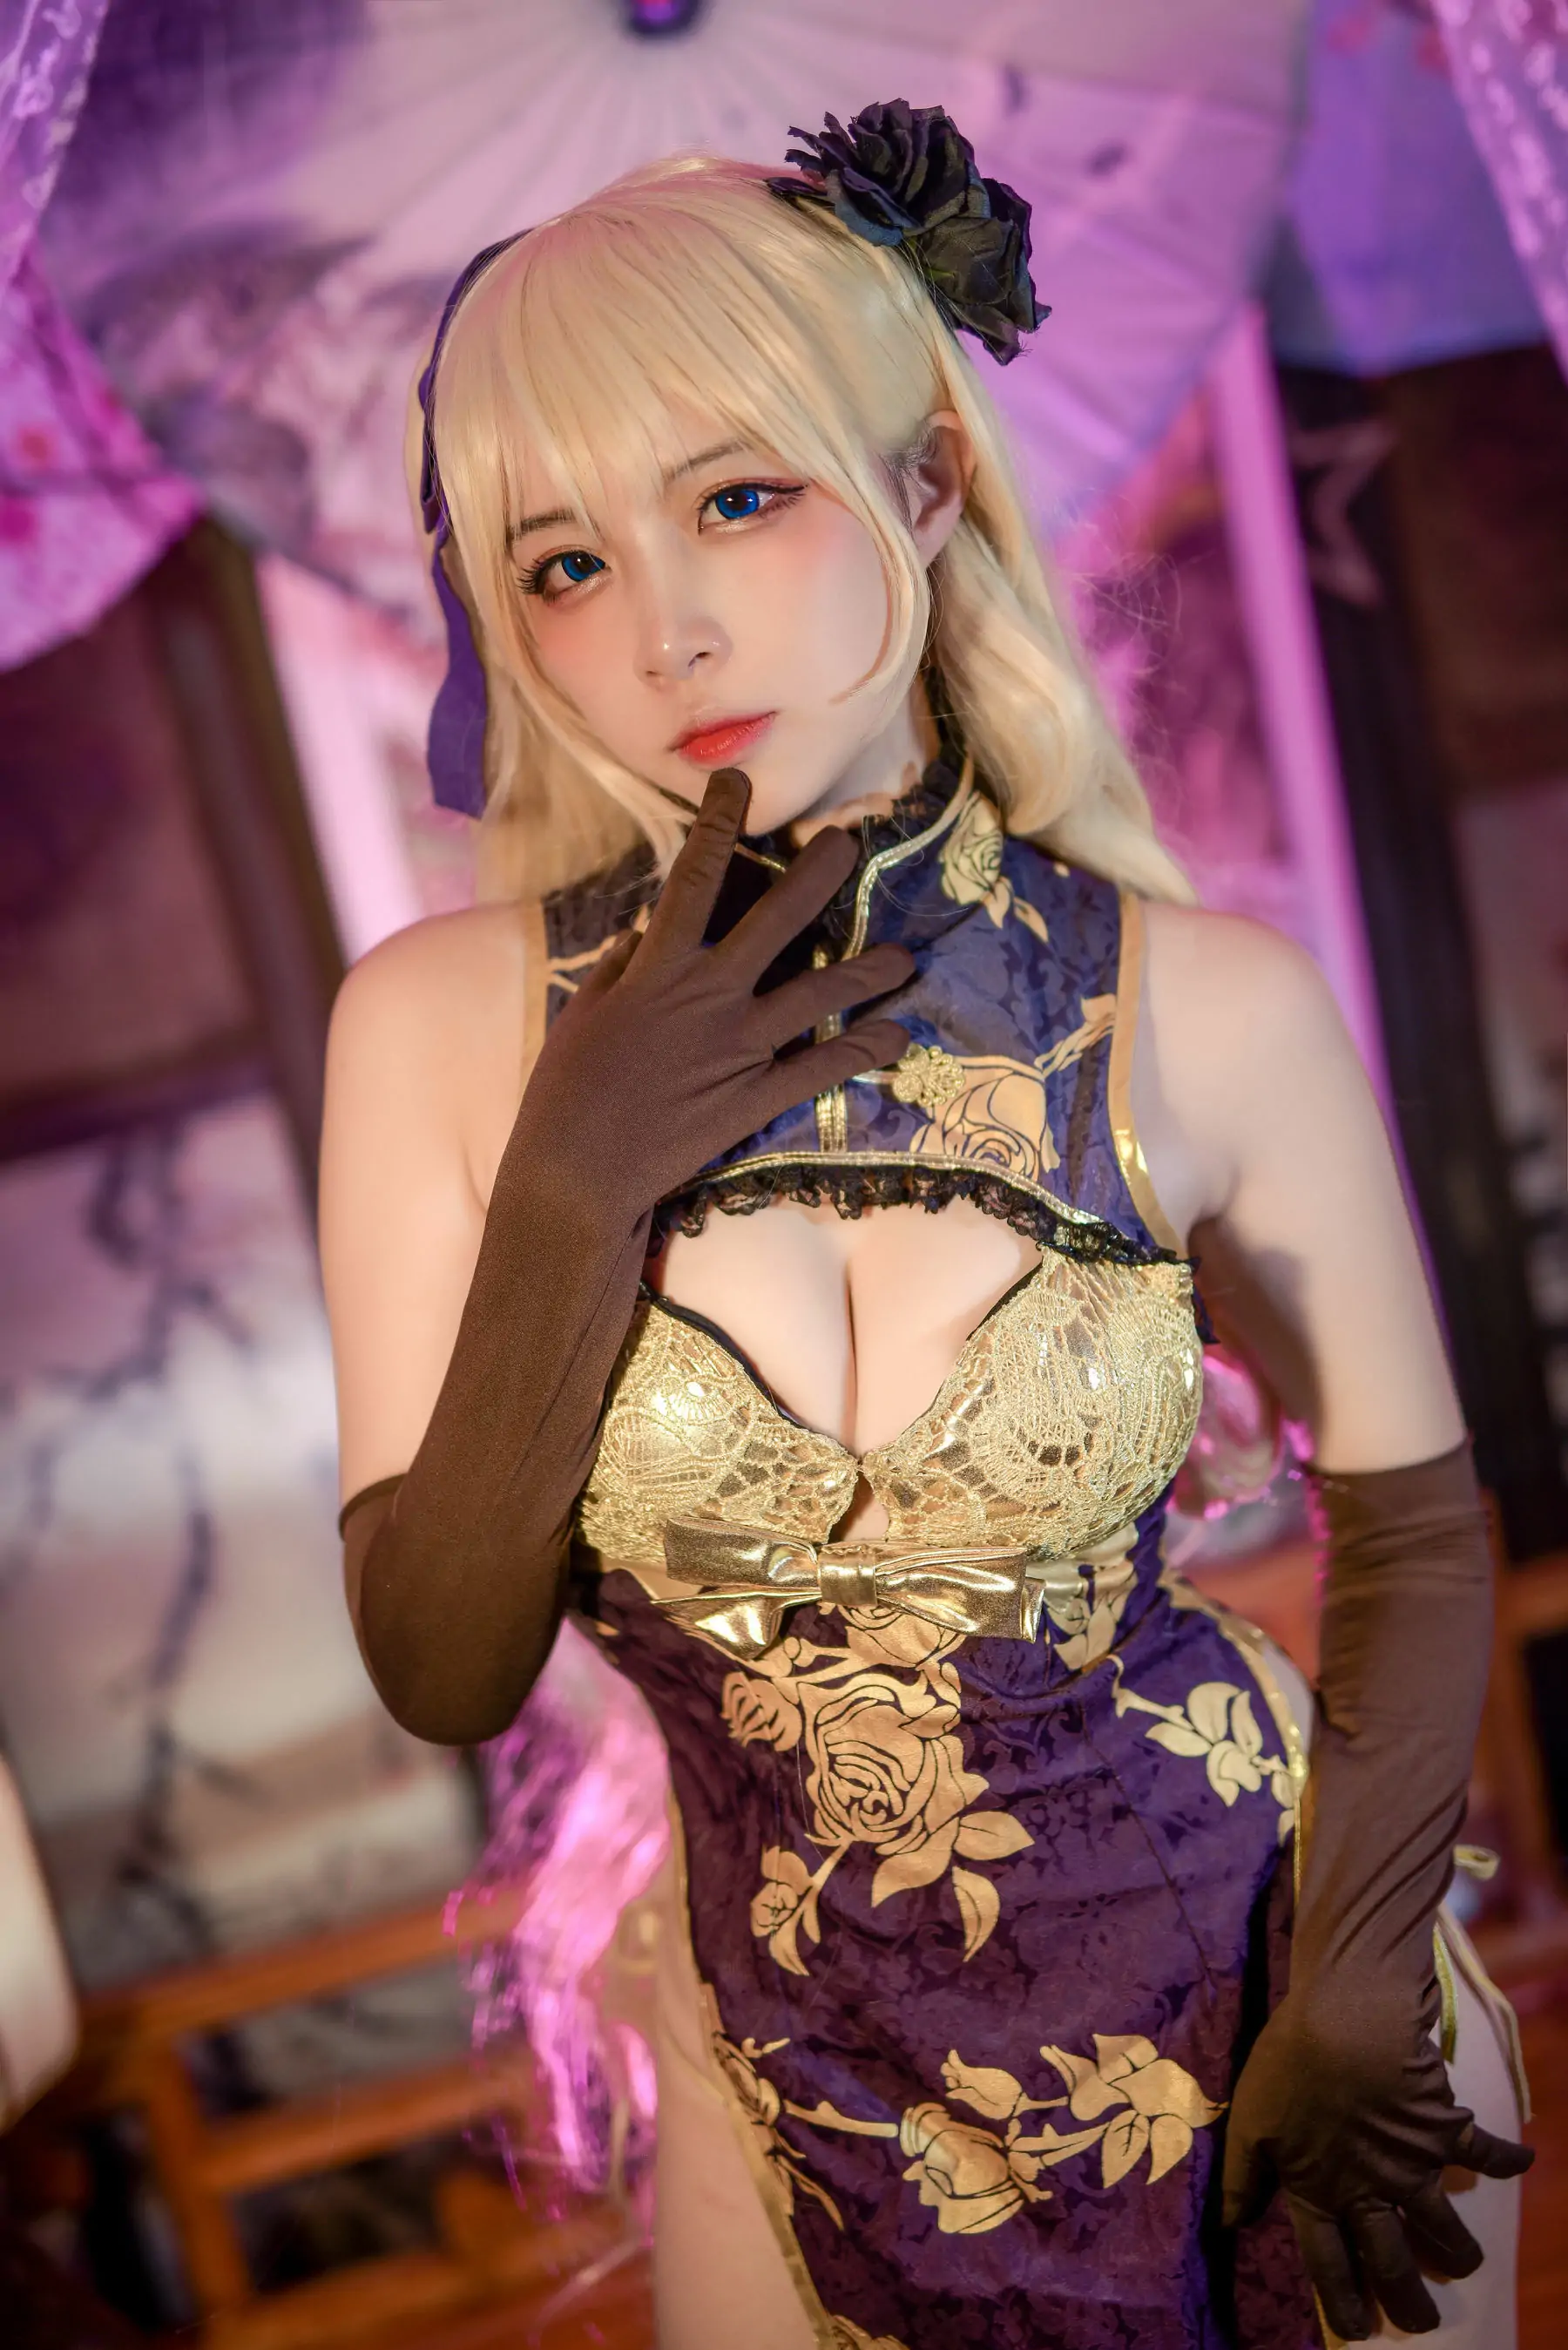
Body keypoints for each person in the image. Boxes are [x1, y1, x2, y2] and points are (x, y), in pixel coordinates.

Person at [319, 102, 1531, 2350]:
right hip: (796, 2080)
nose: (667, 629)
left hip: (1279, 1997)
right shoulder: (433, 1035)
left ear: (930, 485)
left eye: (738, 498)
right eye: (563, 564)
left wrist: (1365, 1974)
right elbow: (440, 1668)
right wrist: (580, 1172)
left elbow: (1416, 1527)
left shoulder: (1209, 1004)